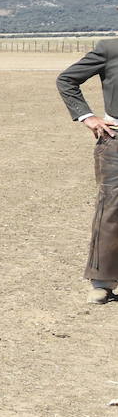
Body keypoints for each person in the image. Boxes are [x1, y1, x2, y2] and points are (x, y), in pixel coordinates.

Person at [57, 37, 118, 304]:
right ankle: (102, 281)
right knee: (112, 208)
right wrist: (87, 116)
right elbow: (66, 80)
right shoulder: (110, 49)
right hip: (116, 140)